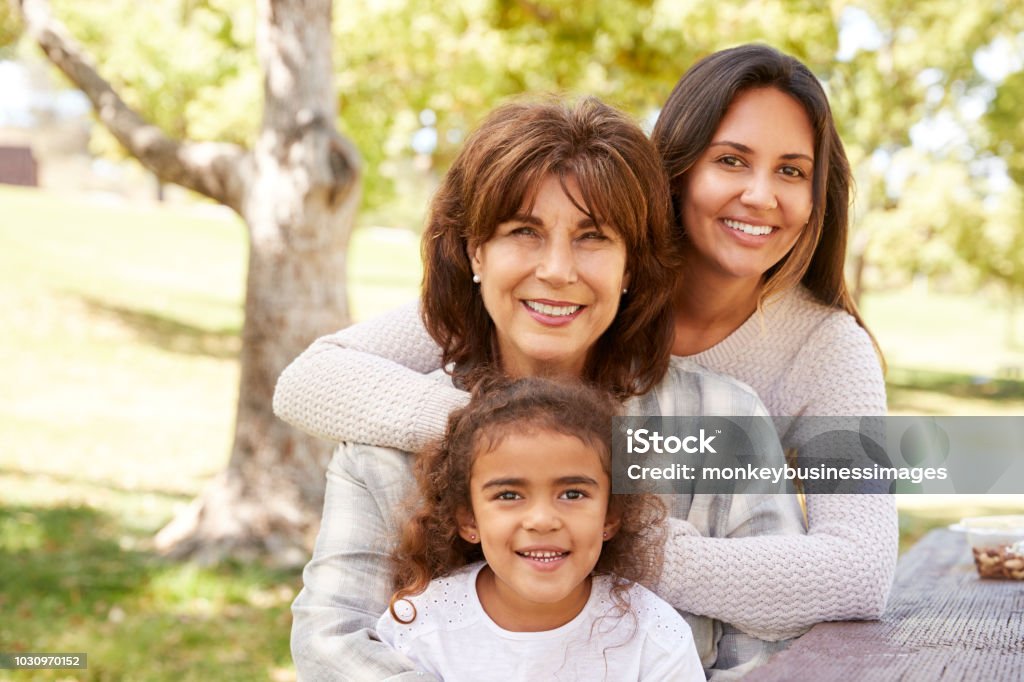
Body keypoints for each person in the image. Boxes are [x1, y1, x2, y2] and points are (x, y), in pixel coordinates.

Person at [274, 44, 898, 642]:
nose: (761, 195)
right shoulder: (548, 290)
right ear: (673, 175)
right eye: (731, 160)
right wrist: (507, 435)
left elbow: (860, 571)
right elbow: (312, 380)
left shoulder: (820, 351)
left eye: (791, 171)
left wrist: (622, 544)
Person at [377, 375, 705, 681]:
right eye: (509, 495)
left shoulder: (654, 636)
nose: (542, 520)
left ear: (610, 516)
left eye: (573, 494)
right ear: (468, 520)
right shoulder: (419, 625)